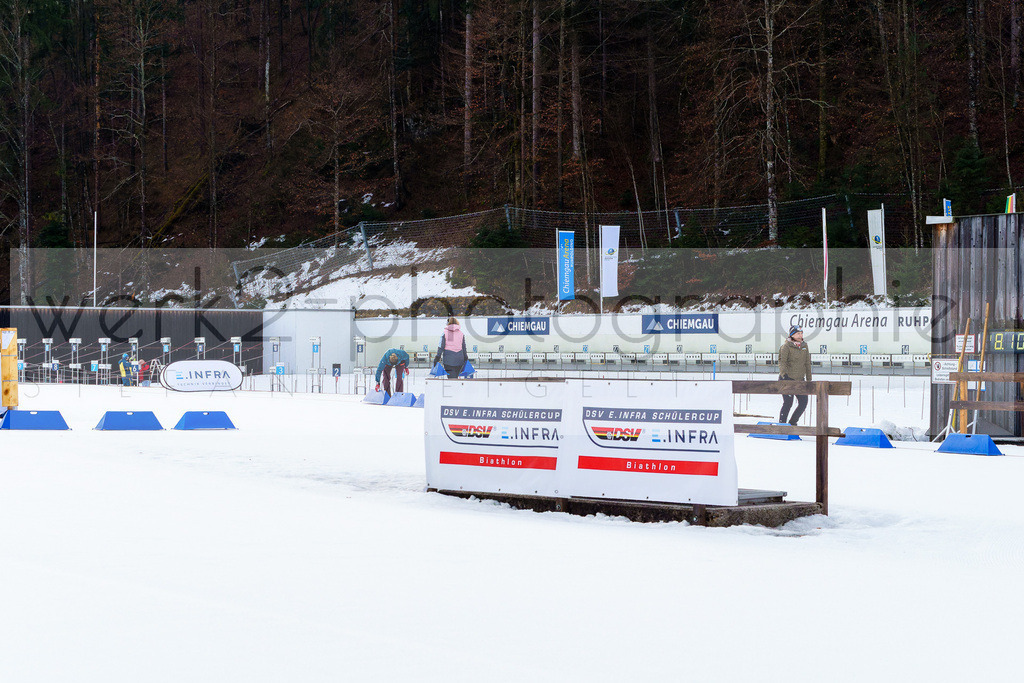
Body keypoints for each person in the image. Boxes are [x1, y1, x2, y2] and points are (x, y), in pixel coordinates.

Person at [778, 325, 812, 425]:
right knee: (788, 403)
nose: (800, 335)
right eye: (798, 333)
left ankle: (793, 422)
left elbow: (807, 363)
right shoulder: (786, 346)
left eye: (801, 333)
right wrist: (784, 375)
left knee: (803, 403)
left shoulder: (804, 346)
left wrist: (809, 379)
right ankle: (782, 424)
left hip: (800, 380)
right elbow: (782, 361)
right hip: (787, 378)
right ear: (792, 335)